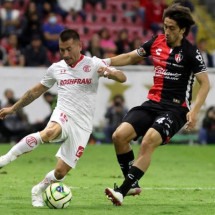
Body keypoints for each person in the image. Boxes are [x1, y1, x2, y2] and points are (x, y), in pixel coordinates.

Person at [0, 29, 127, 207]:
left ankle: (38, 189)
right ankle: (5, 159)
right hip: (63, 113)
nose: (65, 54)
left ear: (79, 46)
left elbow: (123, 77)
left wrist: (109, 73)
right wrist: (13, 108)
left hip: (82, 126)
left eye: (69, 49)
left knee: (60, 173)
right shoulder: (56, 68)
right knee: (49, 132)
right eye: (61, 50)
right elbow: (35, 91)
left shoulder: (93, 64)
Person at [102, 3, 210, 206]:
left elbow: (205, 84)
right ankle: (132, 183)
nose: (166, 32)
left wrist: (194, 111)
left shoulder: (190, 52)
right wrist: (103, 62)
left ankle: (122, 192)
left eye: (171, 28)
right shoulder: (157, 42)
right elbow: (131, 56)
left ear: (183, 30)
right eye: (165, 26)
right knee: (119, 136)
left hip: (176, 109)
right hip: (152, 104)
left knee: (148, 141)